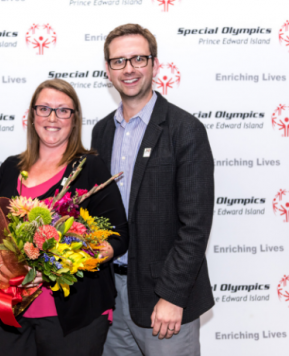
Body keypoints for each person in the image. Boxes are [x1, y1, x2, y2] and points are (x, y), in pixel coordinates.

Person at [0, 79, 129, 356]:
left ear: (75, 119)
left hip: (75, 315)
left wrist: (73, 257)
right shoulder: (11, 168)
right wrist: (2, 266)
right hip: (14, 309)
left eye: (63, 110)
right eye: (44, 108)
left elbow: (118, 234)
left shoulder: (89, 167)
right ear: (33, 115)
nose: (52, 118)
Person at [91, 24, 215, 356]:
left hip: (164, 299)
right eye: (118, 61)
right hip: (112, 294)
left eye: (138, 59)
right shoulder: (101, 132)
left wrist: (173, 295)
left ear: (155, 64)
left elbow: (195, 225)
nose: (128, 69)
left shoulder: (185, 130)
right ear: (108, 70)